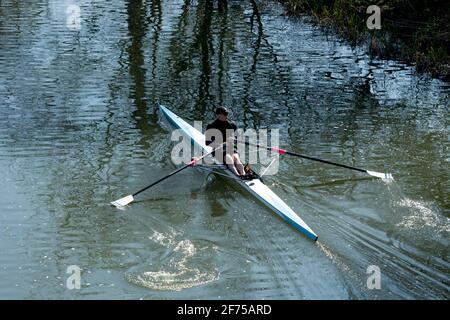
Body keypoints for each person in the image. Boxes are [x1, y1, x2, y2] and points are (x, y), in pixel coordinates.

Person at [205, 106, 246, 177]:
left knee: (236, 158)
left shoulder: (232, 124)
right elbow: (207, 143)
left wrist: (233, 139)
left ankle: (244, 174)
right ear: (218, 115)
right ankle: (238, 176)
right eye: (224, 115)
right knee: (229, 159)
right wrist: (221, 143)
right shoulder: (211, 126)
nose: (226, 117)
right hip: (218, 149)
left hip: (230, 147)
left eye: (226, 115)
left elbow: (238, 137)